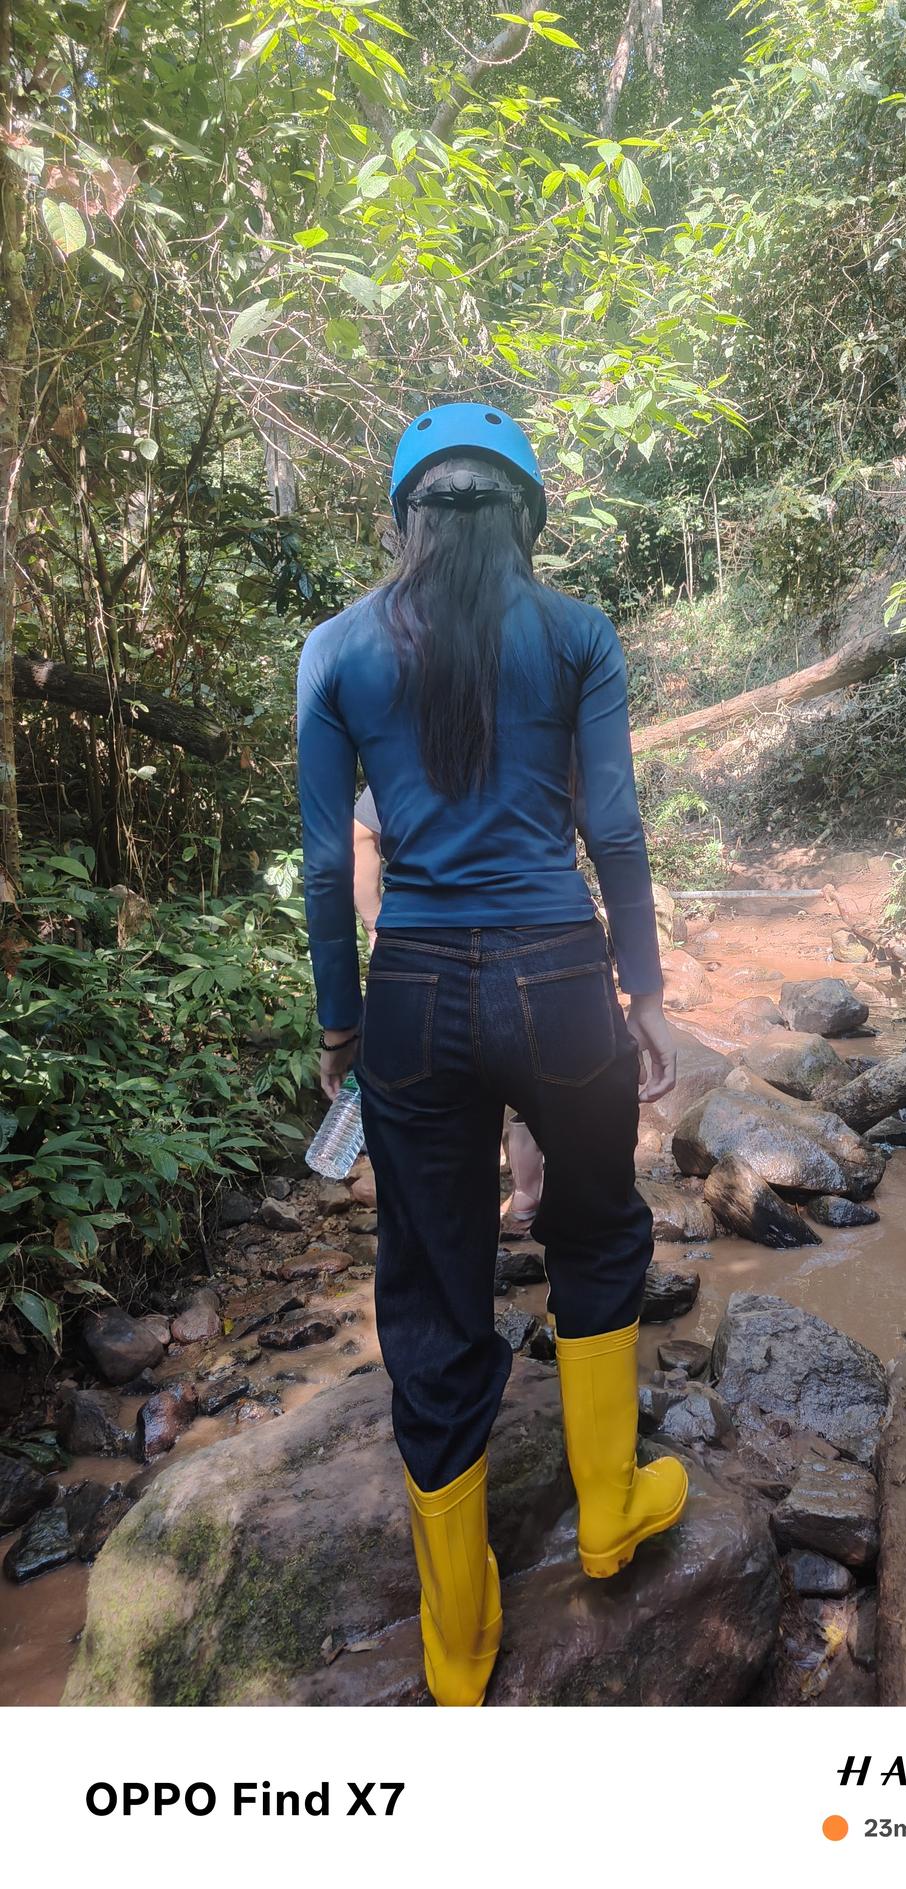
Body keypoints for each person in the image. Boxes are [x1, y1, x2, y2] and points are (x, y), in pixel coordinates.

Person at [296, 401, 682, 1706]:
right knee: (595, 1222)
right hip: (564, 979)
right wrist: (646, 988)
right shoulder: (578, 634)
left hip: (409, 994)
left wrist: (338, 1028)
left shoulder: (333, 652)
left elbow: (318, 866)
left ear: (407, 516)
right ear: (523, 512)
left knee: (433, 1282)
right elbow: (615, 827)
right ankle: (614, 1502)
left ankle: (459, 1643)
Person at [352, 784, 545, 1235]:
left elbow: (361, 834)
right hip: (533, 937)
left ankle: (483, 1219)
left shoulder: (398, 744)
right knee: (535, 1094)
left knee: (443, 1122)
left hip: (419, 950)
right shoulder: (530, 731)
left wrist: (372, 920)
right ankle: (528, 1198)